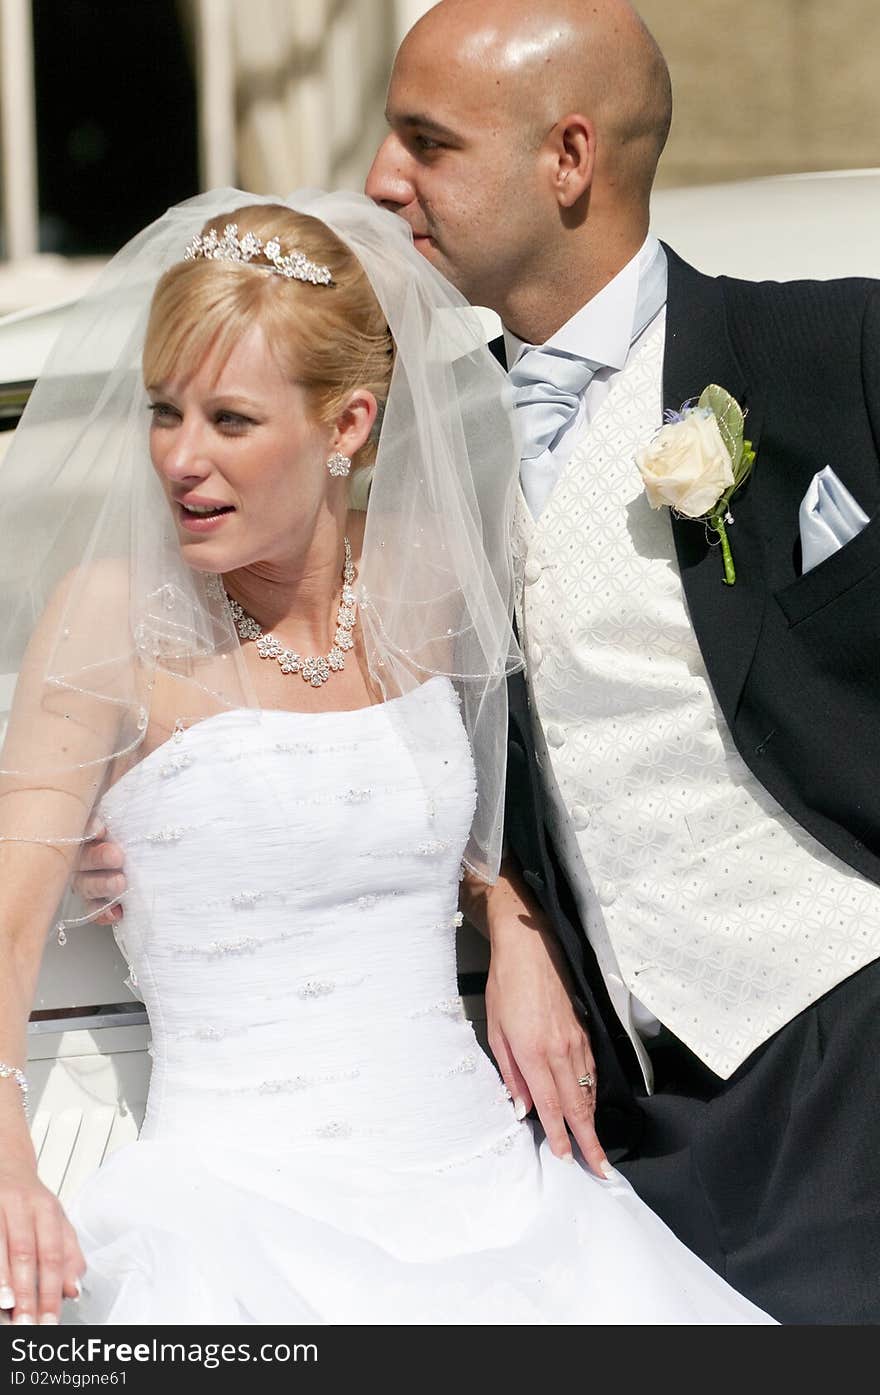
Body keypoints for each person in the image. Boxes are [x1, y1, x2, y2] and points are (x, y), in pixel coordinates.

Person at [0, 189, 774, 1326]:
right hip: (235, 1211)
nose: (179, 459)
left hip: (502, 1190)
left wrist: (509, 918)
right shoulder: (110, 612)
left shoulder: (430, 578)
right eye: (164, 412)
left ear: (348, 427)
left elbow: (551, 795)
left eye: (230, 420)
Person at [359, 0, 880, 1325]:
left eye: (427, 142)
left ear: (569, 158)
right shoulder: (414, 450)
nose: (381, 180)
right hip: (621, 1107)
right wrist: (511, 912)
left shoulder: (840, 351)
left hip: (853, 1027)